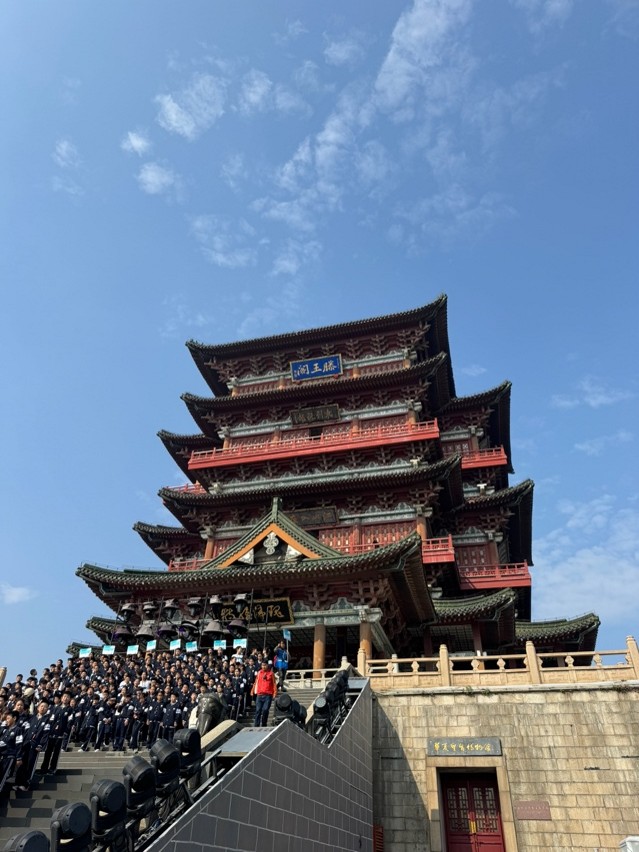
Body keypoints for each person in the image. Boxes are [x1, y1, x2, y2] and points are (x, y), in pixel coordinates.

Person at [252, 661, 277, 727]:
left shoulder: (271, 673)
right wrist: (253, 691)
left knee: (265, 710)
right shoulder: (259, 673)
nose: (263, 667)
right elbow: (256, 682)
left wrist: (275, 693)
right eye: (262, 665)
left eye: (265, 665)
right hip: (259, 694)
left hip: (268, 695)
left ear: (267, 665)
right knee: (258, 710)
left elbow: (274, 683)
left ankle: (264, 723)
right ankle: (256, 725)